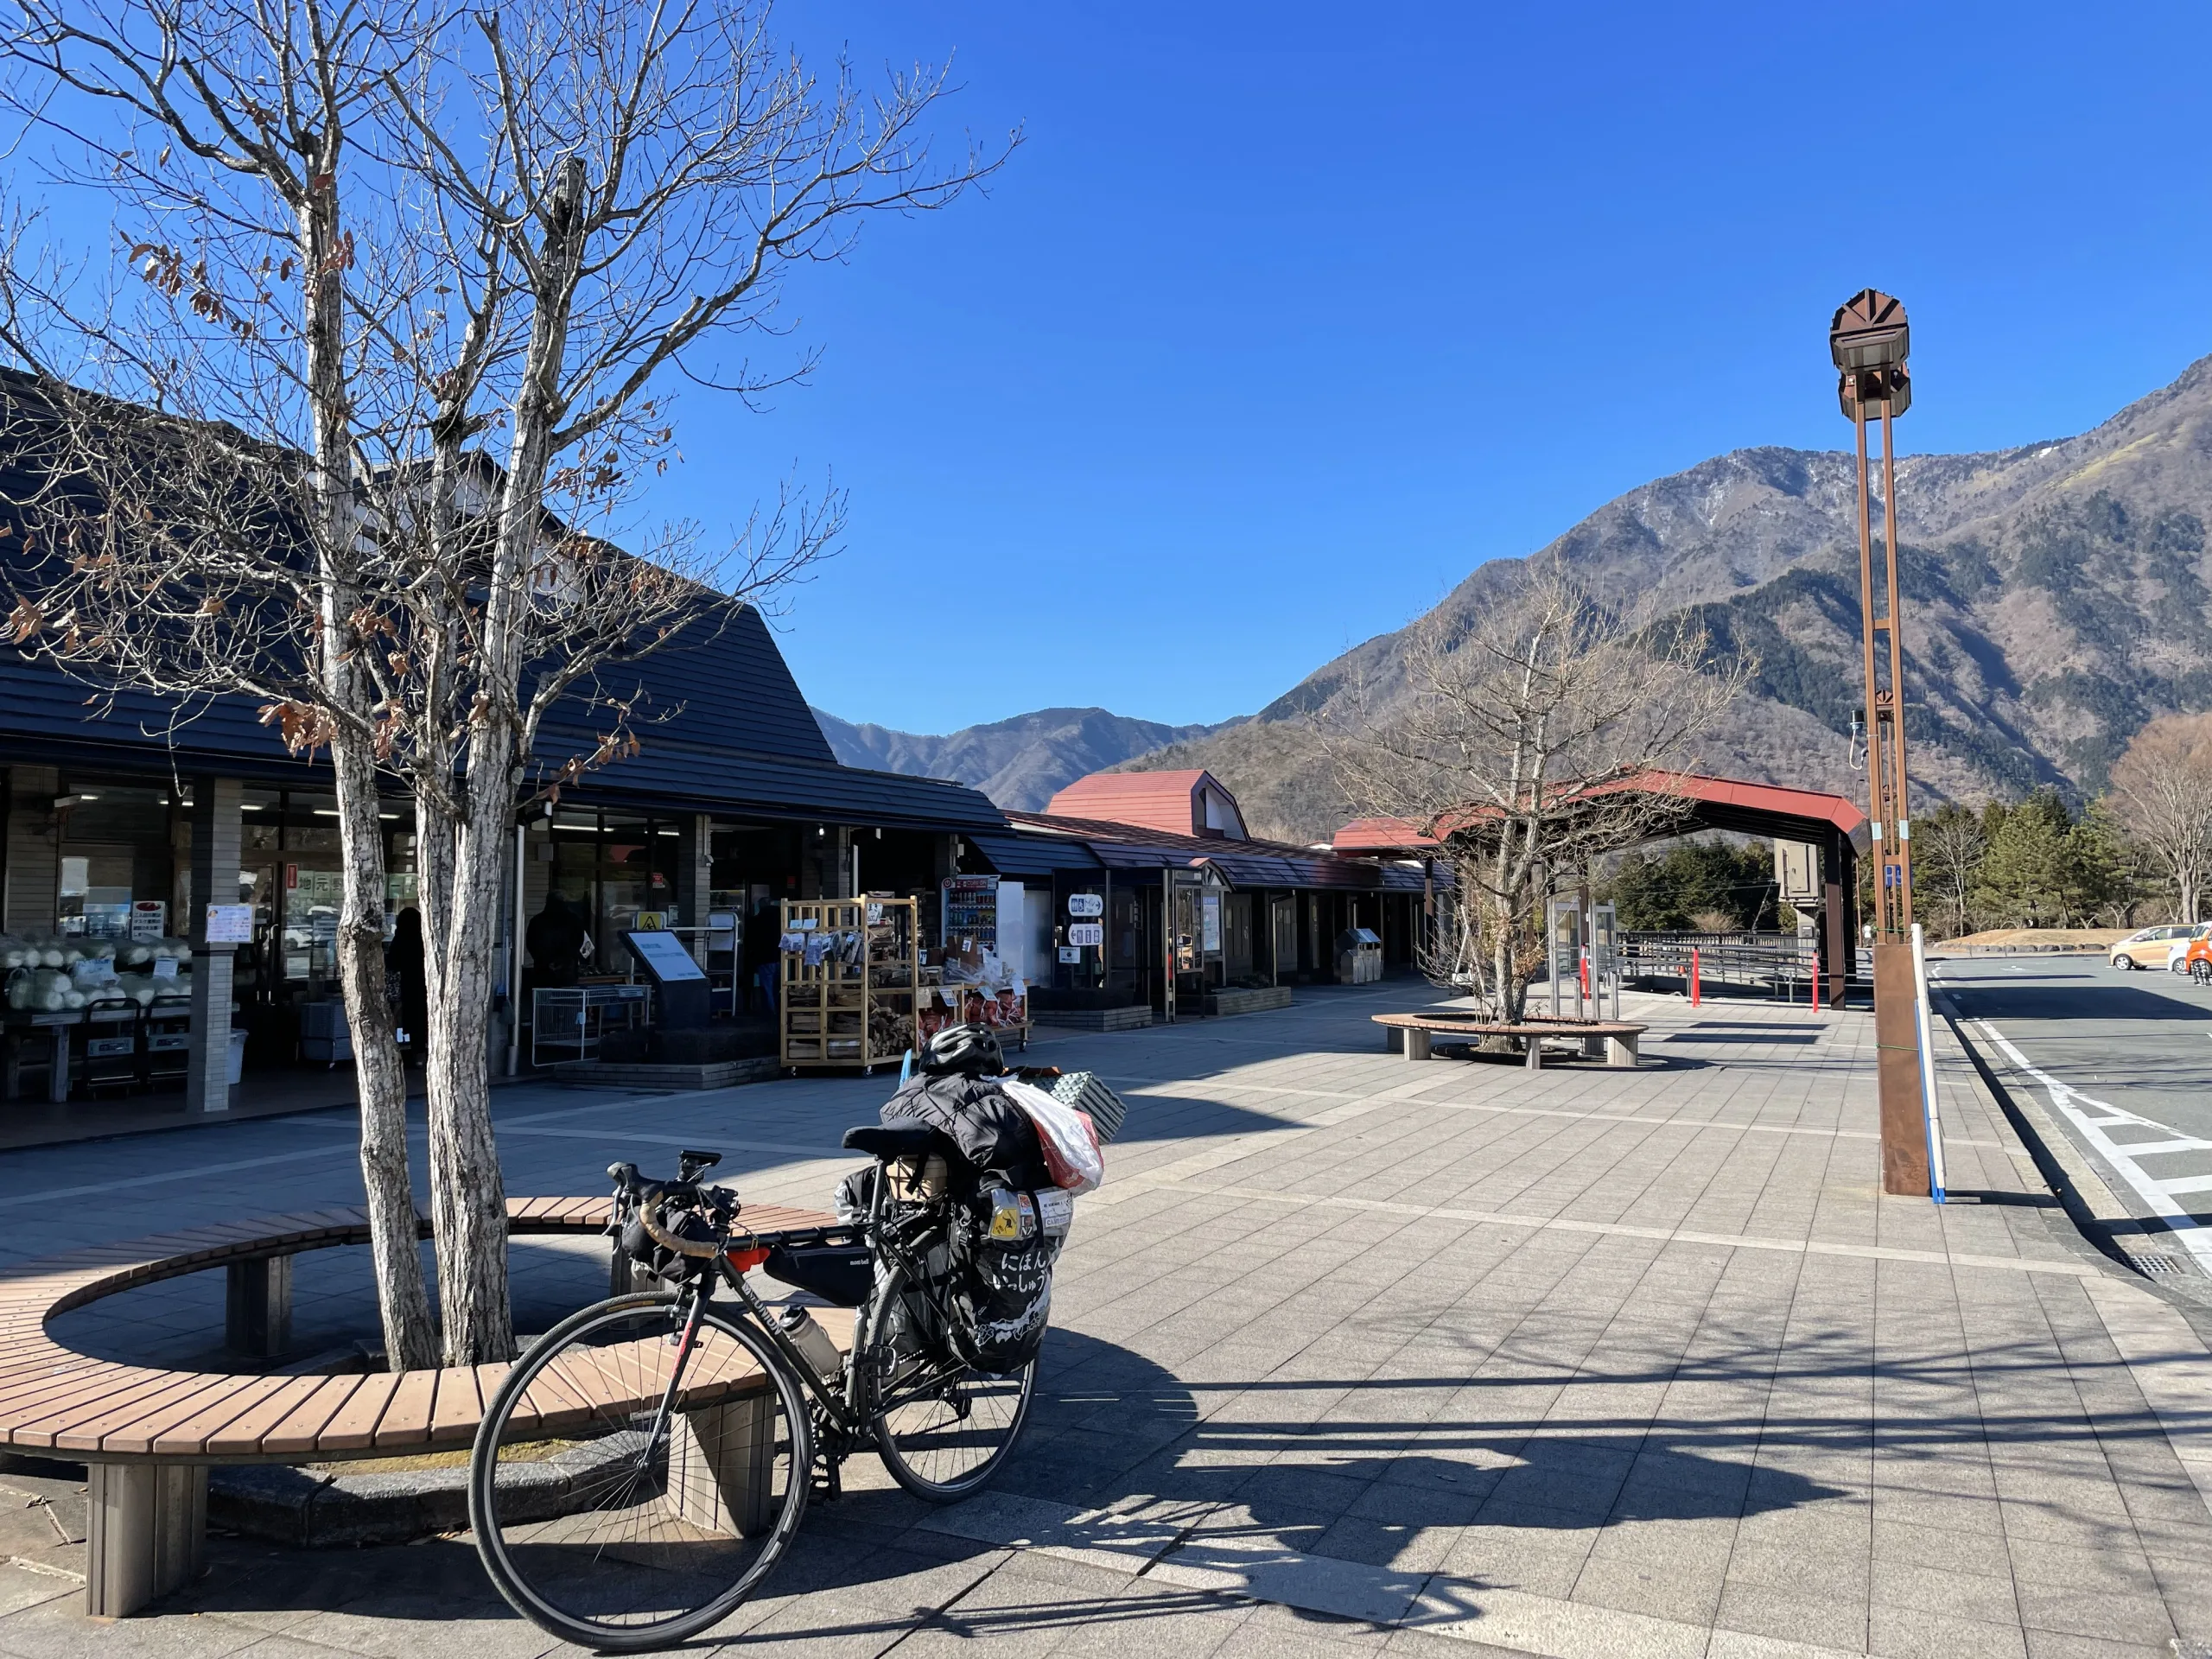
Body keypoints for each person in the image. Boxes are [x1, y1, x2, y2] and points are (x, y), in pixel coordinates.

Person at [385, 906, 429, 1059]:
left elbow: (392, 963)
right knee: (422, 1018)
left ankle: (413, 1052)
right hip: (424, 984)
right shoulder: (424, 939)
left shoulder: (401, 939)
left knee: (409, 1018)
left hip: (407, 985)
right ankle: (421, 1053)